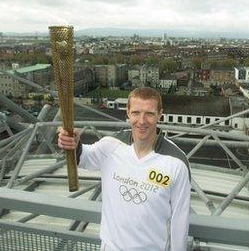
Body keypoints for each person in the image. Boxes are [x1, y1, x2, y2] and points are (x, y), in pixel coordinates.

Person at [58, 87, 191, 250]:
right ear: (127, 112)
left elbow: (180, 221)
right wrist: (72, 143)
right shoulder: (111, 146)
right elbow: (83, 158)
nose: (141, 121)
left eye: (149, 113)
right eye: (136, 113)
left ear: (159, 114)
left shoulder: (176, 163)